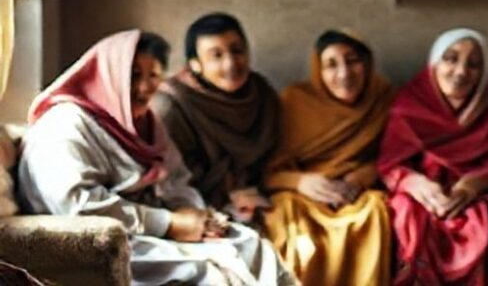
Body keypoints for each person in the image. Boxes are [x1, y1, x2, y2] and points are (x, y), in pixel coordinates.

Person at [18, 30, 294, 285]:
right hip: (109, 240)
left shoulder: (143, 121)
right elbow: (76, 205)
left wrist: (196, 216)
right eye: (134, 75)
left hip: (157, 228)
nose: (144, 87)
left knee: (251, 245)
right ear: (107, 75)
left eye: (154, 75)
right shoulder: (66, 125)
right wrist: (169, 223)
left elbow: (176, 178)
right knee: (209, 274)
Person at [378, 28, 488, 286]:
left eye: (473, 64)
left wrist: (470, 186)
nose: (461, 72)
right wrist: (415, 184)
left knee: (479, 224)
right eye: (450, 59)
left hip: (471, 191)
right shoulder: (410, 101)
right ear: (434, 62)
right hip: (420, 191)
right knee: (407, 216)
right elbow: (390, 163)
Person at [262, 30, 393, 285]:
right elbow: (268, 170)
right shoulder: (295, 101)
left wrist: (362, 177)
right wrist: (301, 182)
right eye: (331, 65)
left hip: (357, 193)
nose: (344, 74)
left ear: (366, 64)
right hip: (303, 195)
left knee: (376, 210)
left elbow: (395, 157)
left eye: (352, 60)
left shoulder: (382, 98)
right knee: (285, 215)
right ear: (317, 70)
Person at [152, 12, 279, 223]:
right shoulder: (172, 105)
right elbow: (170, 179)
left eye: (237, 51)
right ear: (195, 64)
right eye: (216, 56)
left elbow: (275, 156)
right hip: (194, 209)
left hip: (260, 196)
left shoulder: (261, 92)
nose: (230, 64)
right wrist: (227, 195)